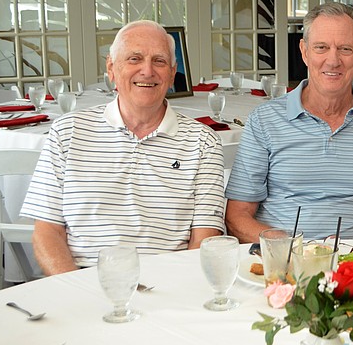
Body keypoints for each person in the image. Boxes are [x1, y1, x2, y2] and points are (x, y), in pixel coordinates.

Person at [21, 20, 226, 274]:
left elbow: (204, 239)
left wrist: (177, 289)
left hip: (169, 282)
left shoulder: (203, 142)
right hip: (82, 279)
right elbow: (47, 232)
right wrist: (75, 288)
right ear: (111, 68)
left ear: (173, 73)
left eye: (159, 61)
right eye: (134, 59)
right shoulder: (67, 132)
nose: (147, 71)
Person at [225, 2, 353, 243]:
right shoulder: (264, 121)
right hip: (284, 259)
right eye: (321, 47)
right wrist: (283, 246)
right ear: (304, 51)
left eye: (345, 49)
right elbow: (237, 215)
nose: (333, 60)